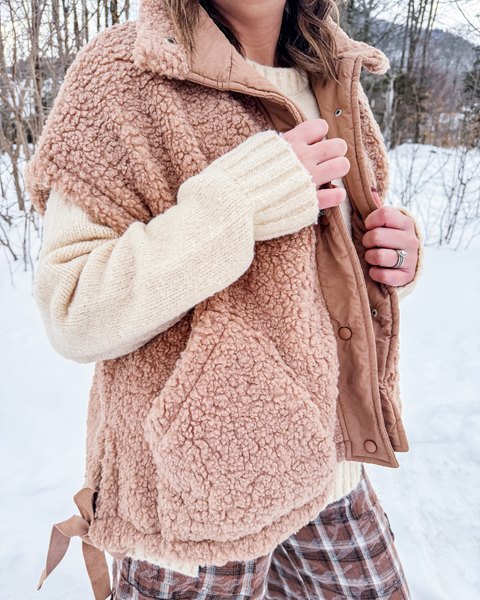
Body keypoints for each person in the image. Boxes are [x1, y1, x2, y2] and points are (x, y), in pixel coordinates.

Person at [26, 0, 422, 598]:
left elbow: (323, 266)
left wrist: (392, 258)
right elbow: (74, 309)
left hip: (329, 468)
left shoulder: (331, 71)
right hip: (194, 499)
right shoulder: (122, 74)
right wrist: (236, 202)